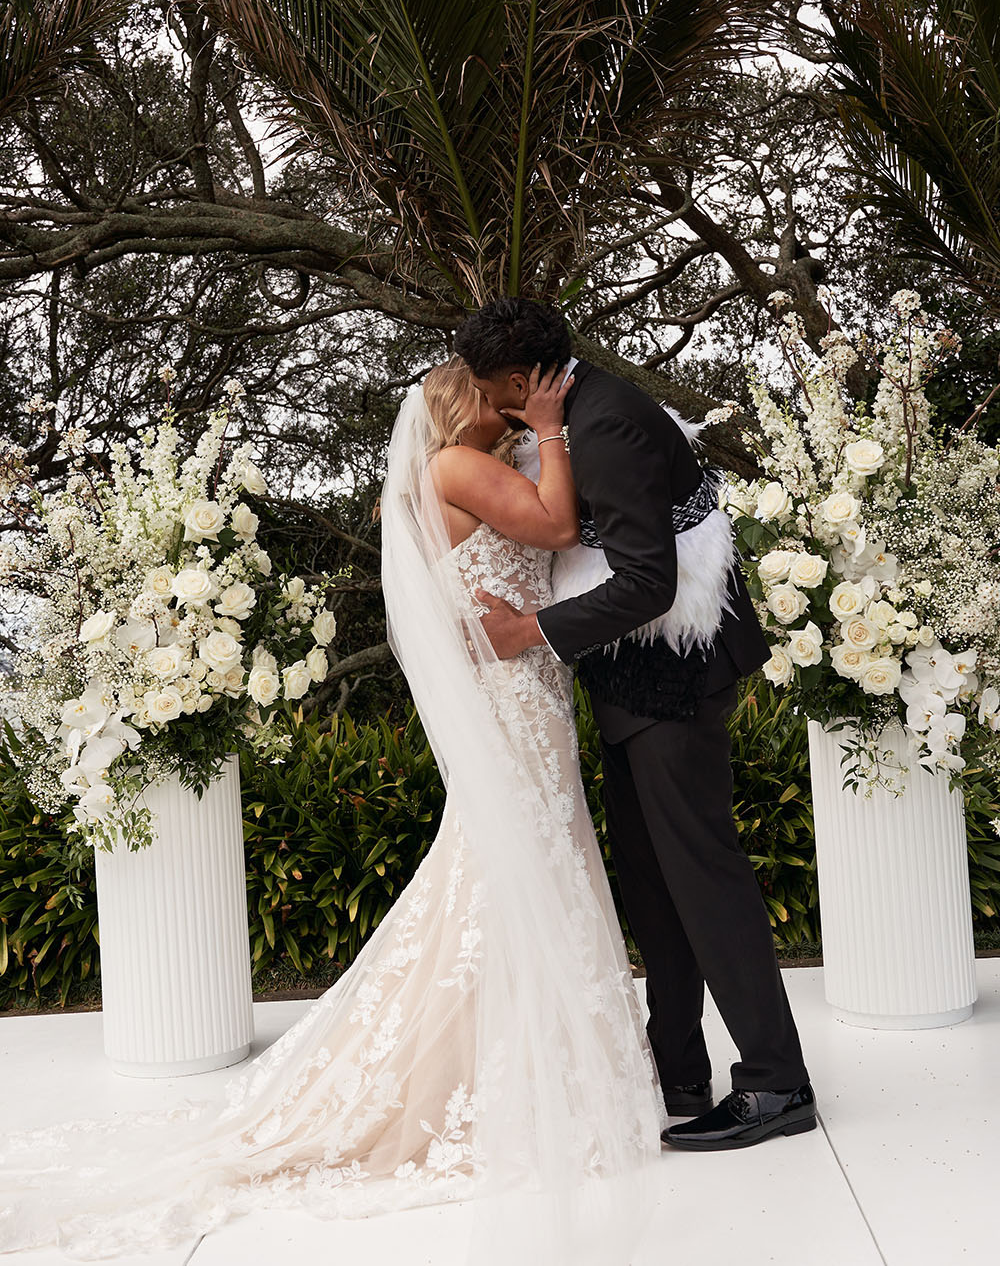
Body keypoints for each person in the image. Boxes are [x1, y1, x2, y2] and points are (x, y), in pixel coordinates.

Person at [0, 357, 663, 1266]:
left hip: (526, 690)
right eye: (500, 393)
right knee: (510, 866)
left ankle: (532, 1063)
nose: (515, 400)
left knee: (514, 865)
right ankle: (525, 1074)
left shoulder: (460, 473)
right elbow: (557, 522)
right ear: (463, 407)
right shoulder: (458, 468)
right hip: (516, 698)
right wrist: (551, 426)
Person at [454, 297, 817, 1151]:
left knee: (703, 877)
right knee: (654, 885)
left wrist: (529, 632)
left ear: (516, 379)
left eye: (485, 385)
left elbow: (650, 583)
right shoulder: (580, 413)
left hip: (671, 681)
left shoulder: (606, 424)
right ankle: (681, 1068)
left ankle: (776, 1083)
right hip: (635, 684)